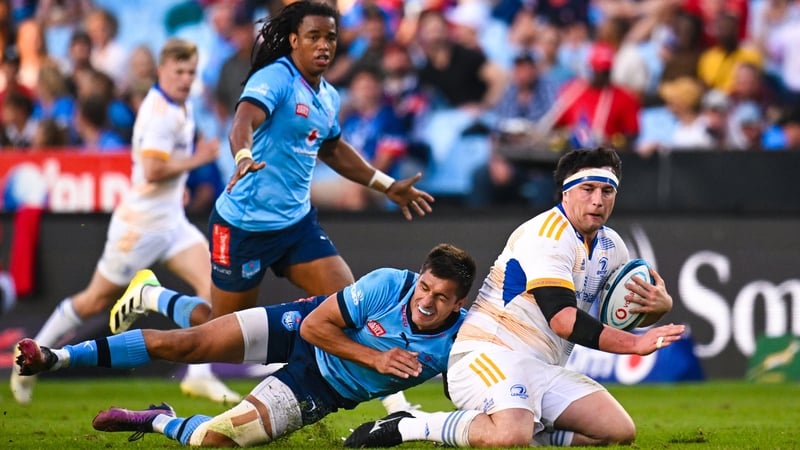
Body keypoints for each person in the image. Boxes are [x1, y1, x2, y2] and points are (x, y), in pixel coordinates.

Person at [344, 146, 687, 448]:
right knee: (510, 435)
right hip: (488, 353)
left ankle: (501, 431)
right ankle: (409, 425)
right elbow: (563, 320)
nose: (598, 200)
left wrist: (658, 307)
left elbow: (620, 312)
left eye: (607, 191)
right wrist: (635, 344)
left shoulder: (612, 246)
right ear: (565, 193)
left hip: (543, 367)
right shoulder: (547, 236)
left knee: (617, 431)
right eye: (588, 189)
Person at [14, 243, 476, 447]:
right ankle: (57, 357)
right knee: (188, 344)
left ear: (459, 304)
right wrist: (377, 357)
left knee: (217, 439)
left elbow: (468, 393)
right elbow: (316, 328)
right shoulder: (389, 284)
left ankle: (157, 419)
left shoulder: (460, 340)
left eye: (441, 298)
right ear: (418, 278)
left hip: (320, 387)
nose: (427, 302)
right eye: (425, 288)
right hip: (301, 327)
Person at [9, 38, 234, 405]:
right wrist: (199, 158)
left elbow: (158, 170)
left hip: (170, 219)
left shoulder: (181, 105)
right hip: (140, 225)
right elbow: (154, 169)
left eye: (190, 72)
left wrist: (178, 188)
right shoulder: (159, 113)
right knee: (94, 301)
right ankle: (29, 357)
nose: (185, 78)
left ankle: (200, 374)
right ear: (161, 71)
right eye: (178, 71)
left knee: (213, 284)